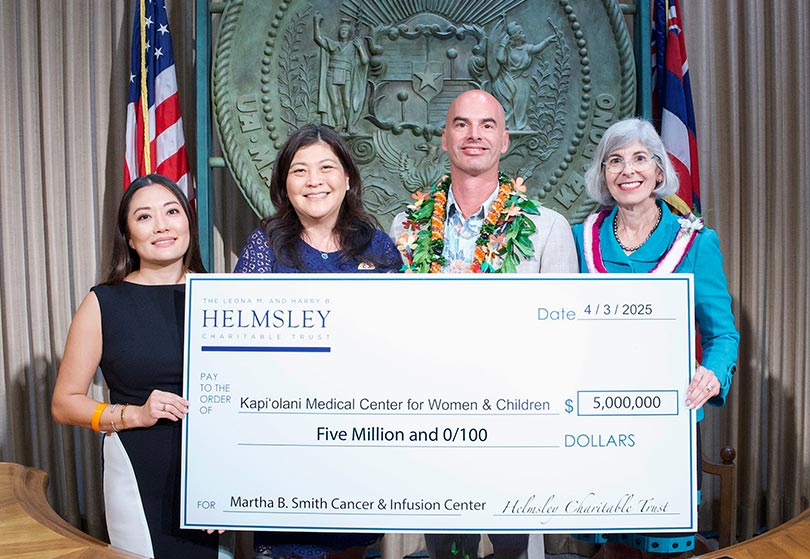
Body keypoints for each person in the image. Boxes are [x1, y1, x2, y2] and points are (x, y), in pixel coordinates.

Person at [389, 90, 578, 559]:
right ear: (443, 139)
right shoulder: (404, 228)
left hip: (515, 425)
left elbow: (564, 333)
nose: (475, 135)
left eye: (487, 125)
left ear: (505, 140)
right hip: (435, 421)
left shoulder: (548, 228)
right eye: (461, 124)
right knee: (446, 551)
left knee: (516, 552)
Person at [572, 117, 740, 559]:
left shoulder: (696, 243)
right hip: (597, 420)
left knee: (665, 550)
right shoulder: (578, 240)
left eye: (640, 158)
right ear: (604, 175)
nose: (628, 170)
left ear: (660, 172)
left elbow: (723, 334)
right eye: (615, 160)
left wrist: (712, 373)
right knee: (611, 551)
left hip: (667, 420)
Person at [234, 123, 398, 558]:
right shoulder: (263, 247)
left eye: (326, 167)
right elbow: (240, 351)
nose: (314, 181)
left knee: (350, 549)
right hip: (285, 437)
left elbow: (398, 345)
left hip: (358, 436)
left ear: (347, 179)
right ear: (284, 184)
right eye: (299, 170)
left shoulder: (379, 249)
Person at [51, 174, 218, 559]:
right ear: (128, 236)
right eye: (144, 217)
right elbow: (64, 403)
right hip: (138, 468)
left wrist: (231, 485)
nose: (162, 225)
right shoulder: (103, 303)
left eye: (172, 211)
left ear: (188, 221)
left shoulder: (222, 296)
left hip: (212, 471)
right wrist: (135, 415)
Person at [314, 14, 369, 133]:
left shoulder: (353, 46)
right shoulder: (333, 44)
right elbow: (318, 39)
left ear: (349, 32)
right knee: (335, 102)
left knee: (347, 102)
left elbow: (365, 61)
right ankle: (339, 123)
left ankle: (350, 125)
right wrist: (316, 22)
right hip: (332, 74)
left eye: (346, 30)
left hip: (346, 75)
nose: (343, 32)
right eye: (342, 30)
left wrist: (360, 47)